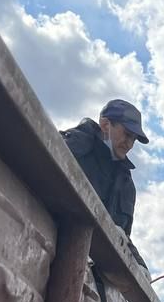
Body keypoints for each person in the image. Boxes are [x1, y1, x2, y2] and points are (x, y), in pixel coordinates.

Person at [61, 98, 147, 240]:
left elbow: (123, 241)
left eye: (134, 139)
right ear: (105, 125)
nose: (129, 144)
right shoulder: (73, 146)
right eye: (127, 134)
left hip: (90, 258)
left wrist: (138, 263)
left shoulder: (127, 185)